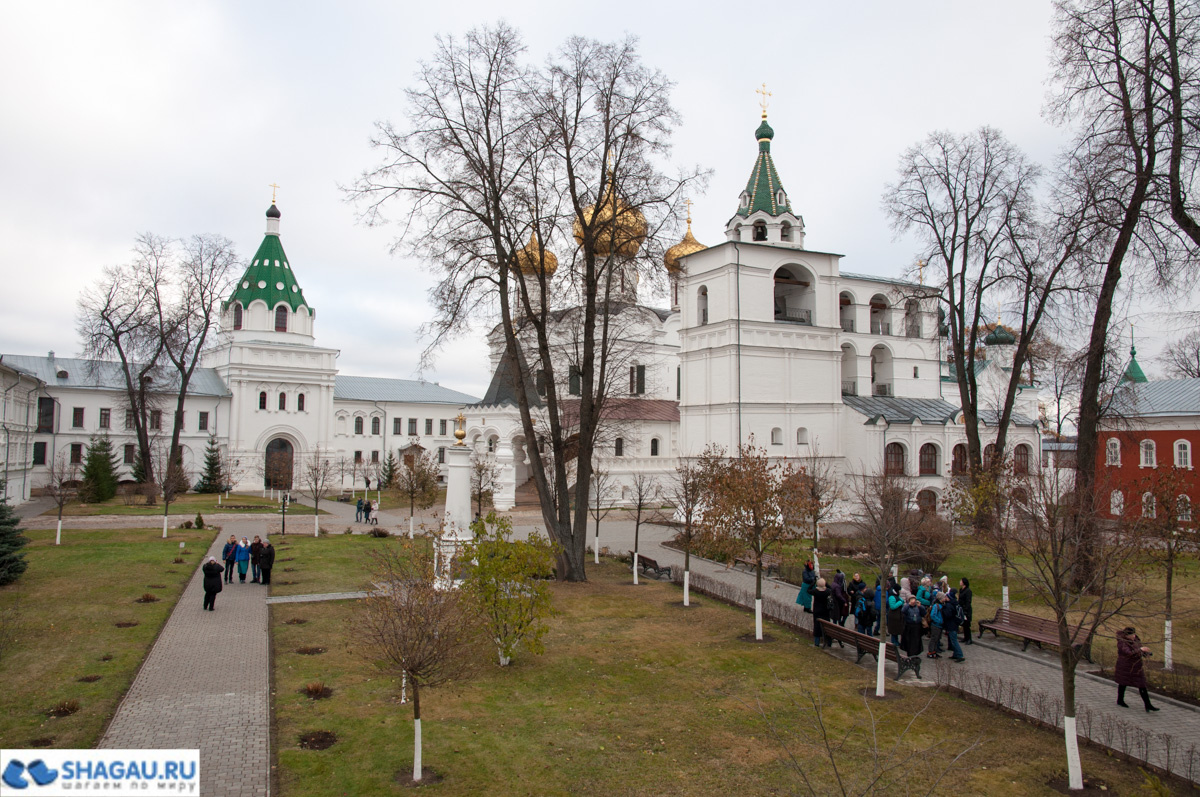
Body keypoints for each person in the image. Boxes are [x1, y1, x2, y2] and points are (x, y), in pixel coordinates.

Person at [1115, 627, 1158, 712]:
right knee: (1123, 683)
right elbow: (1129, 653)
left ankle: (1148, 704)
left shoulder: (1136, 640)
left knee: (1142, 685)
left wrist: (1146, 653)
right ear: (1127, 635)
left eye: (1134, 634)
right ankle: (1120, 700)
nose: (1134, 636)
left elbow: (1138, 650)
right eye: (1132, 635)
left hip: (1136, 667)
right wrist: (1140, 650)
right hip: (1125, 666)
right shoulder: (1122, 643)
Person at [944, 588, 965, 662]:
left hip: (951, 625)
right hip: (955, 624)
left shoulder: (949, 605)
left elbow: (948, 615)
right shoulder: (955, 603)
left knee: (954, 640)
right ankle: (955, 654)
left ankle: (959, 654)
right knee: (953, 639)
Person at [811, 578, 831, 647]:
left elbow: (808, 590)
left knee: (817, 627)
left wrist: (813, 583)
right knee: (827, 627)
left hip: (817, 611)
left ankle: (817, 642)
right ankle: (829, 642)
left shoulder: (815, 591)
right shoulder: (828, 591)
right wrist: (826, 584)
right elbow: (831, 588)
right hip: (826, 612)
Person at [927, 593, 946, 658]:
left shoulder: (941, 605)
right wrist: (940, 621)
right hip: (936, 625)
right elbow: (933, 615)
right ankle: (930, 652)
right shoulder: (936, 606)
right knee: (934, 639)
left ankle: (934, 651)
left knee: (937, 639)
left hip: (940, 625)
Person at [958, 577, 974, 645]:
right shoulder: (961, 590)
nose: (960, 582)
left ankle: (969, 639)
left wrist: (965, 610)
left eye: (961, 581)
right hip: (961, 608)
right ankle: (965, 637)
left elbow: (968, 601)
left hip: (966, 610)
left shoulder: (968, 591)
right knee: (964, 624)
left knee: (967, 625)